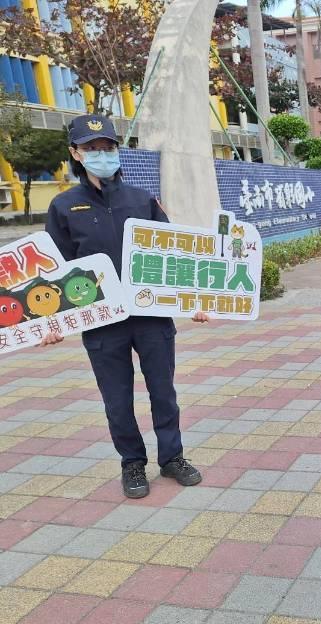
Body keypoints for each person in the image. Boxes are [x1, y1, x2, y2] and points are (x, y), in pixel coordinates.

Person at [42, 114, 206, 499]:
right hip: (102, 322)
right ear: (75, 154)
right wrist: (51, 322)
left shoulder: (142, 200)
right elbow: (55, 271)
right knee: (117, 398)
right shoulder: (64, 206)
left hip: (152, 316)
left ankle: (172, 457)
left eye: (107, 147)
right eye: (91, 148)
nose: (101, 155)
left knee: (163, 391)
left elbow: (173, 256)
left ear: (117, 151)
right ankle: (132, 462)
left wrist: (196, 300)